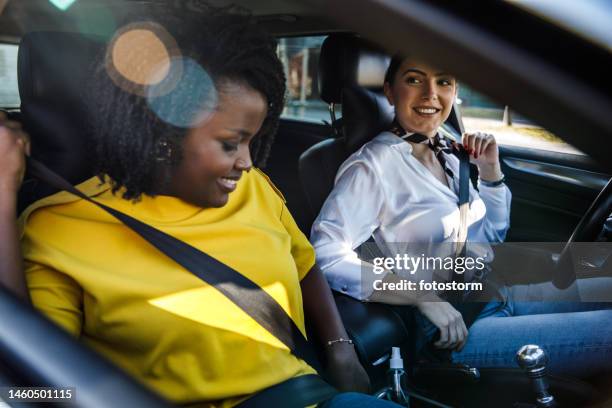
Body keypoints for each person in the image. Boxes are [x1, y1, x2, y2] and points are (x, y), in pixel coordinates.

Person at [0, 13, 404, 408]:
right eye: (231, 143)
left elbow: (304, 262)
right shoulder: (58, 229)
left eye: (253, 140)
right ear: (163, 136)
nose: (247, 162)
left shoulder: (253, 188)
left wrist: (339, 349)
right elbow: (32, 387)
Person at [311, 55, 612, 377]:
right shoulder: (373, 165)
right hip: (450, 331)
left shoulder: (448, 153)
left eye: (443, 81)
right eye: (414, 80)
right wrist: (422, 297)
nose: (430, 94)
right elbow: (324, 254)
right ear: (389, 91)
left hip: (491, 294)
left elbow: (491, 238)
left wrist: (490, 173)